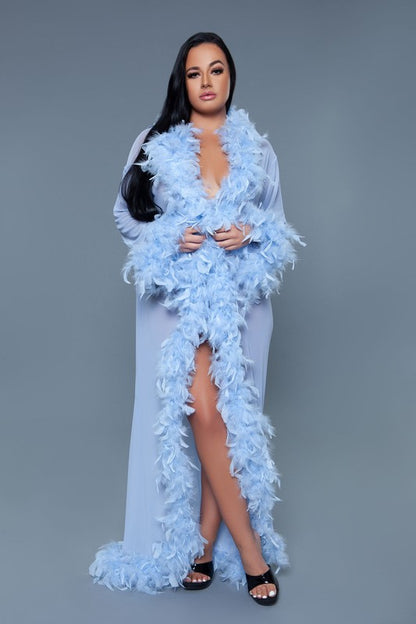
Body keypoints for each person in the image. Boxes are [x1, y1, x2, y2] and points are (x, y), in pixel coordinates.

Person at [89, 32, 305, 606]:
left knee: (227, 421)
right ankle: (252, 554)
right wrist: (169, 236)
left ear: (231, 77)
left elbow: (278, 225)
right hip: (177, 302)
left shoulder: (258, 149)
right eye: (194, 73)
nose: (206, 82)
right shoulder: (155, 141)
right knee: (202, 412)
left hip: (242, 303)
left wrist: (249, 231)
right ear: (181, 83)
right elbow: (125, 215)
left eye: (216, 70)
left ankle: (205, 548)